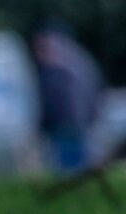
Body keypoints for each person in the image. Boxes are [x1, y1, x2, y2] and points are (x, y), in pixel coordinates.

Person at [32, 22, 104, 172]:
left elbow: (54, 101)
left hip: (67, 127)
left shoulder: (59, 67)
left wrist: (40, 126)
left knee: (70, 172)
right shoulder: (83, 61)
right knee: (81, 168)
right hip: (81, 125)